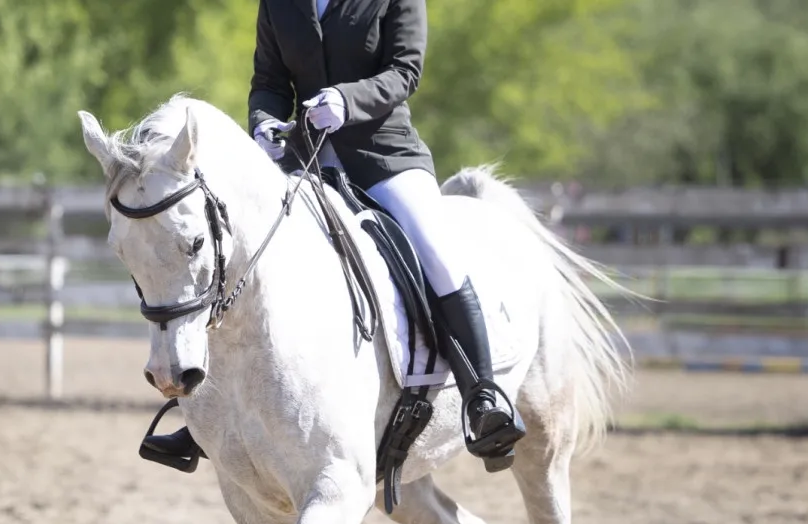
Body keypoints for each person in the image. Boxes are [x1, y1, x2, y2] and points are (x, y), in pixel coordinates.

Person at [144, 0, 526, 473]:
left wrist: (347, 101)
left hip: (383, 156)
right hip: (303, 161)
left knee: (435, 252)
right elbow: (269, 83)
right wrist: (264, 122)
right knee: (239, 257)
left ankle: (482, 396)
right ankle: (209, 414)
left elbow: (404, 71)